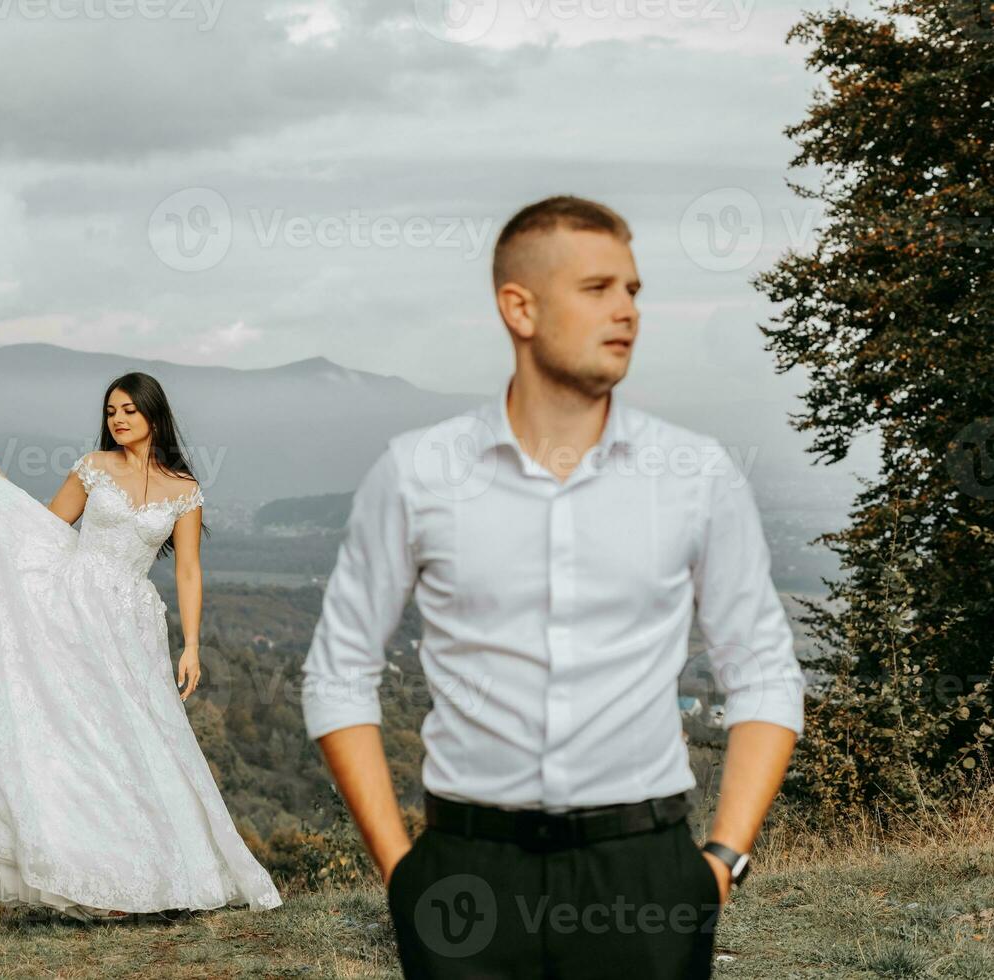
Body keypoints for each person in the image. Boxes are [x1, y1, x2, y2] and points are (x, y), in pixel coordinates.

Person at [300, 196, 805, 978]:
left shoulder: (698, 474)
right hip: (466, 876)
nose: (627, 310)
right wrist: (404, 877)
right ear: (519, 308)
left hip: (646, 875)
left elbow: (766, 674)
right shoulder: (418, 472)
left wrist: (719, 866)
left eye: (633, 290)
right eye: (598, 289)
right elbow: (338, 675)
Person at [0, 371, 282, 922]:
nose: (117, 419)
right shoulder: (93, 468)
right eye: (111, 410)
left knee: (138, 741)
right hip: (69, 609)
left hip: (131, 628)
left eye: (129, 411)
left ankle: (158, 873)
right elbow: (45, 531)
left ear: (153, 416)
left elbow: (189, 571)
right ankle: (85, 876)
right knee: (75, 737)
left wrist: (190, 646)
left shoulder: (184, 488)